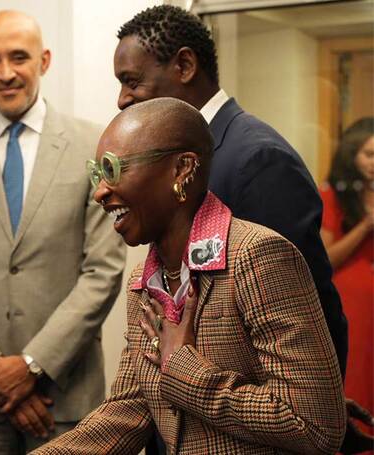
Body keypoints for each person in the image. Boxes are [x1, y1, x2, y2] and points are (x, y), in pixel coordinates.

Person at [34, 97, 346, 454]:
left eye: (113, 170)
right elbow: (126, 412)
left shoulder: (256, 257)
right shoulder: (144, 282)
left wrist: (186, 370)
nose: (100, 192)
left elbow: (316, 425)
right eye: (97, 174)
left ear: (182, 169)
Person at [111, 5, 353, 452]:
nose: (123, 99)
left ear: (184, 65)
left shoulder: (254, 159)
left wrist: (323, 412)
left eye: (131, 80)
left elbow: (307, 313)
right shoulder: (190, 154)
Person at [0, 10, 126, 454]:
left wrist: (32, 366)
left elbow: (104, 270)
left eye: (19, 57)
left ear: (44, 61)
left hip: (65, 395)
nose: (6, 73)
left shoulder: (93, 145)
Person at [321, 117, 374, 453]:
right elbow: (326, 257)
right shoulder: (332, 196)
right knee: (357, 374)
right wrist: (366, 224)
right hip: (352, 306)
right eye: (369, 154)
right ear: (351, 154)